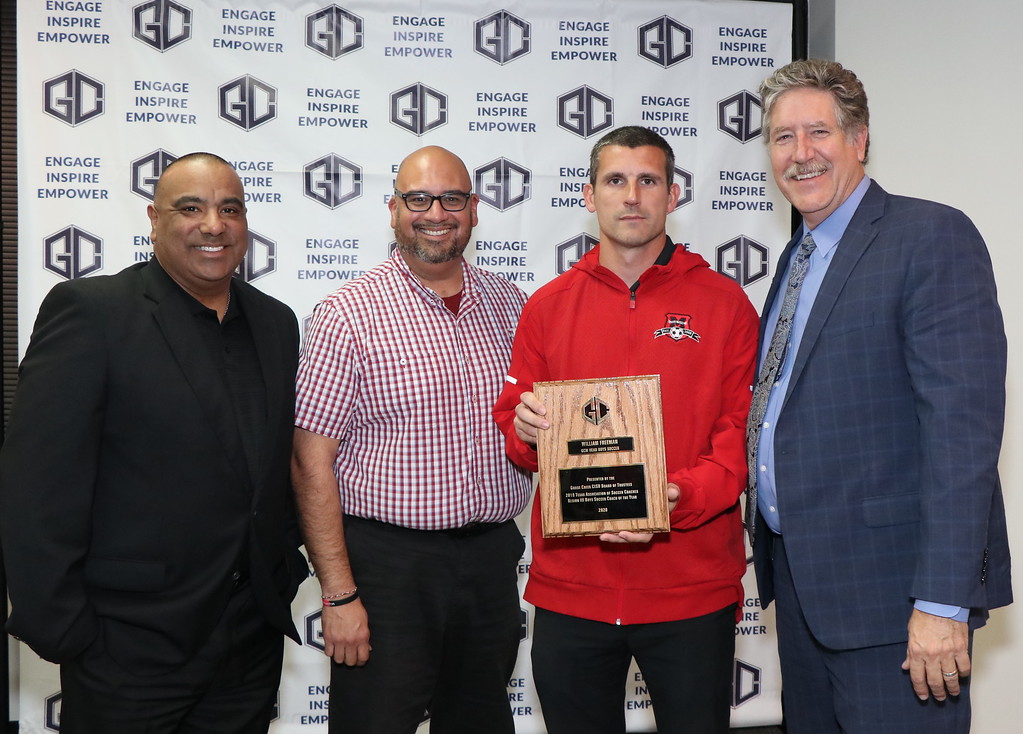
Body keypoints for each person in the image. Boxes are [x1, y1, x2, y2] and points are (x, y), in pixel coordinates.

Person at [746, 59, 1011, 734]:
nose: (799, 154)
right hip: (805, 594)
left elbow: (961, 434)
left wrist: (942, 604)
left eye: (818, 132)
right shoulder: (795, 257)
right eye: (782, 137)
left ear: (858, 139)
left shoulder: (928, 237)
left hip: (894, 604)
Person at [0, 152, 307, 733]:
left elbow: (270, 468)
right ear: (154, 218)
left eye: (230, 209)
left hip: (249, 644)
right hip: (126, 646)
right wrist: (65, 629)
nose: (213, 224)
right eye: (190, 208)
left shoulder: (276, 323)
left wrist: (280, 571)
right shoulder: (93, 313)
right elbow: (37, 483)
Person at [493, 126, 759, 733]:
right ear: (590, 196)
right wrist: (528, 430)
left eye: (648, 180)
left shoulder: (725, 305)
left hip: (689, 590)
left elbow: (740, 434)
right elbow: (515, 421)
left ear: (672, 194)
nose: (632, 195)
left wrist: (678, 498)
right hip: (572, 592)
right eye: (616, 180)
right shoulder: (547, 305)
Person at [291, 145, 532, 734]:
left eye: (452, 198)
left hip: (490, 560)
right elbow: (309, 462)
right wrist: (340, 595)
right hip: (385, 569)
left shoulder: (512, 305)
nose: (436, 213)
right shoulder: (347, 314)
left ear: (474, 209)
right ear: (392, 209)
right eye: (418, 198)